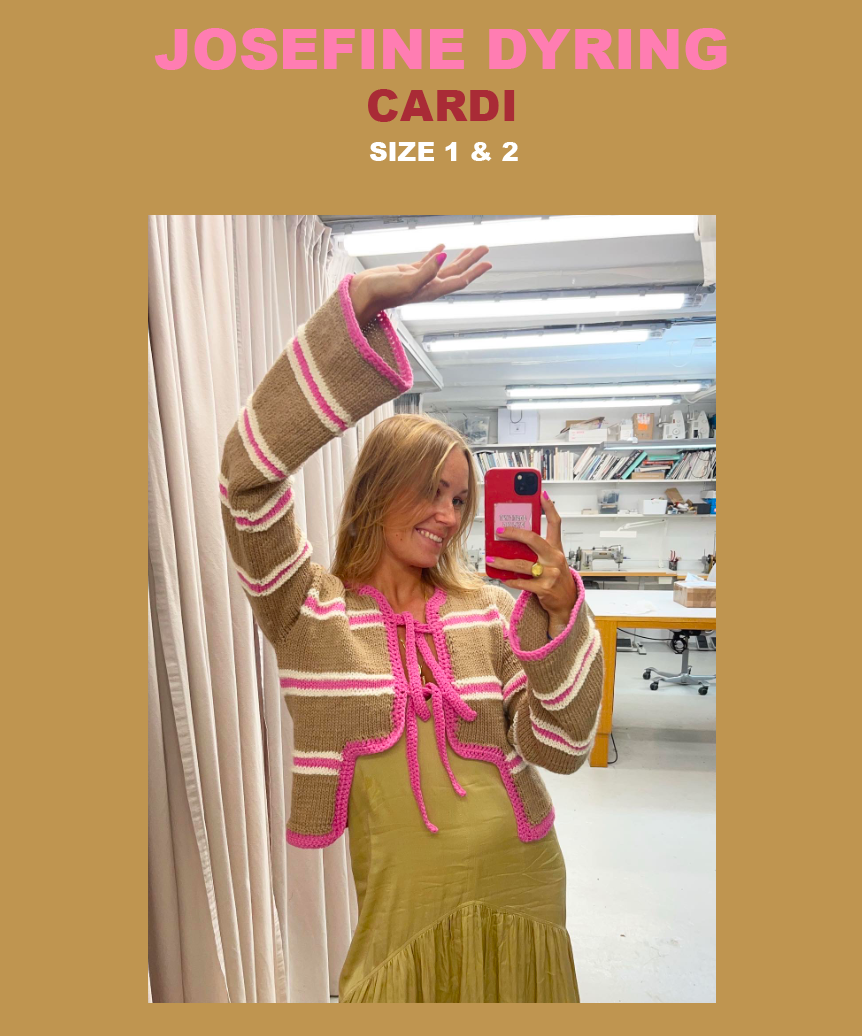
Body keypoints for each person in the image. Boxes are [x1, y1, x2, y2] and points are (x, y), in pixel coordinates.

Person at [219, 245, 604, 1002]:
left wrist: (563, 612)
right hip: (402, 911)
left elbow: (561, 749)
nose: (448, 516)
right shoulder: (308, 609)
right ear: (378, 486)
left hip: (522, 884)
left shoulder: (492, 611)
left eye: (460, 500)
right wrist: (357, 304)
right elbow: (245, 477)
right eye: (432, 490)